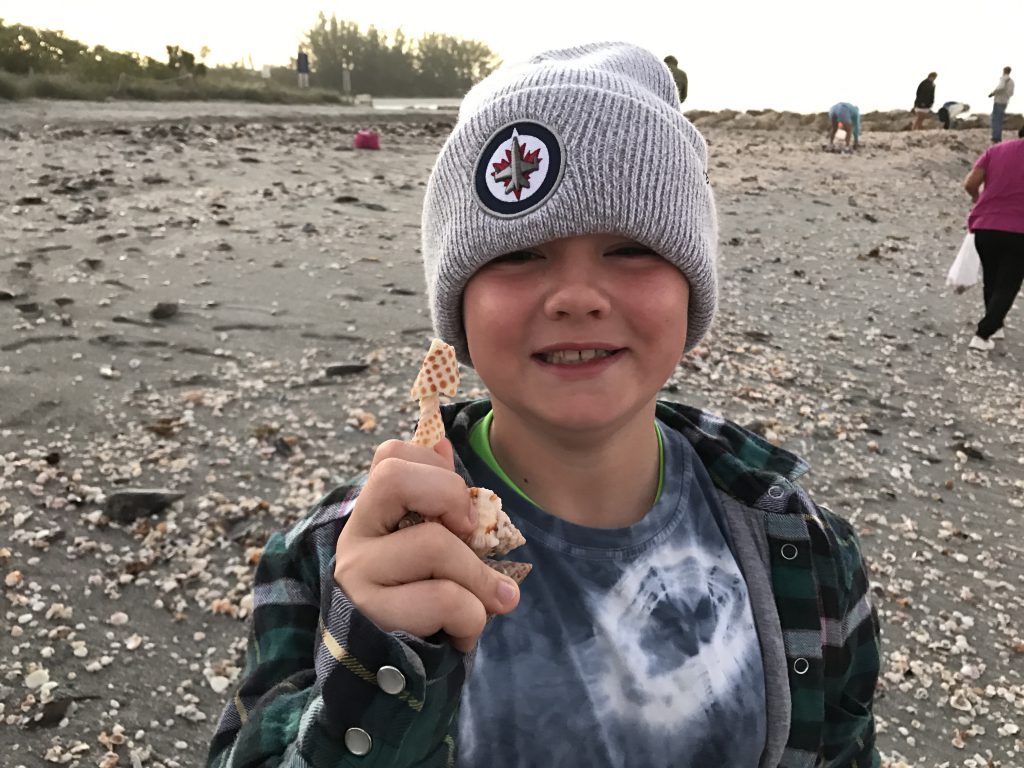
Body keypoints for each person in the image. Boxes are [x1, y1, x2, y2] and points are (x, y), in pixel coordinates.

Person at [206, 42, 881, 768]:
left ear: (692, 288)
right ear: (459, 305)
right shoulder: (338, 560)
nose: (576, 298)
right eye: (520, 255)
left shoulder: (805, 548)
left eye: (630, 248)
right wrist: (373, 661)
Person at [963, 125, 1024, 351]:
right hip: (1019, 230)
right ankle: (982, 334)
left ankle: (995, 325)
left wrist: (978, 200)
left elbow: (970, 183)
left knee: (992, 278)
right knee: (1008, 284)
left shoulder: (995, 151)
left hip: (986, 226)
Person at [988, 66, 1015, 143]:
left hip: (999, 101)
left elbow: (1001, 87)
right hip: (1005, 101)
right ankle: (998, 136)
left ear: (1004, 71)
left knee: (995, 119)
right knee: (999, 119)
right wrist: (1006, 96)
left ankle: (995, 137)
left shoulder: (1004, 78)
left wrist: (993, 93)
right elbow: (1011, 93)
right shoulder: (1012, 82)